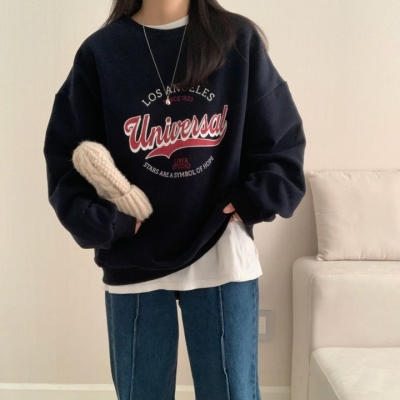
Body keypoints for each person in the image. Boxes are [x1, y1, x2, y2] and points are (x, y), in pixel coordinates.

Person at [43, 0, 306, 398]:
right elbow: (67, 158)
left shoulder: (235, 40)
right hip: (133, 258)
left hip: (220, 251)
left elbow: (282, 140)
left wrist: (254, 199)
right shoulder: (102, 52)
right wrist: (109, 221)